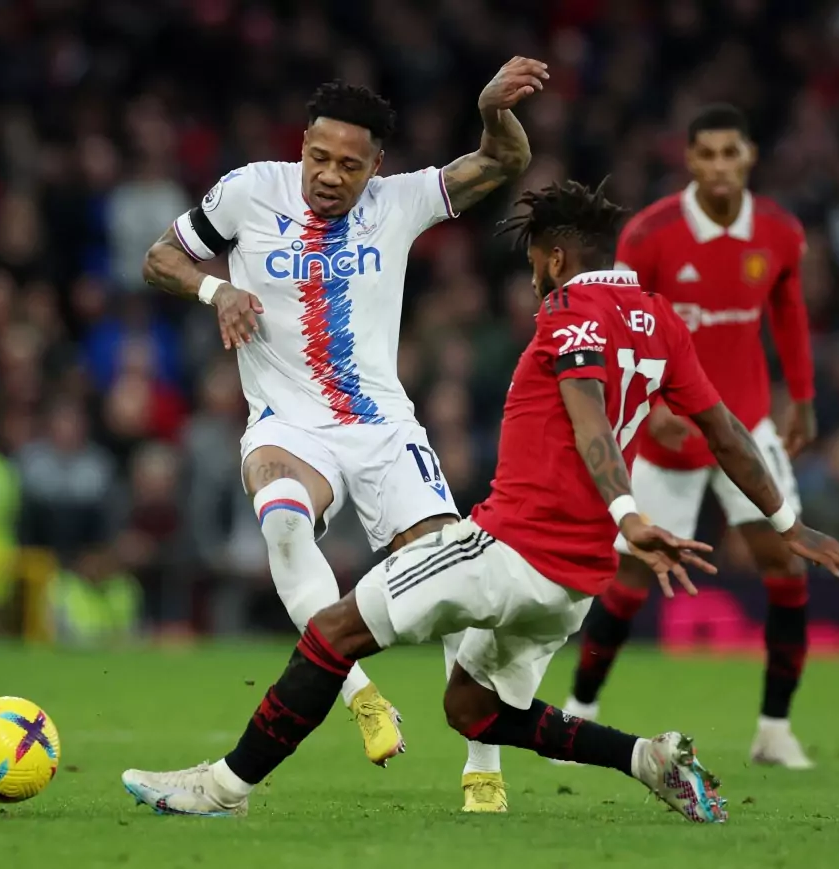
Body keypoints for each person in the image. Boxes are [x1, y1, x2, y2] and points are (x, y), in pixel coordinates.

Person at [120, 180, 839, 822]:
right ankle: (647, 759)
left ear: (553, 256)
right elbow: (729, 430)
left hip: (506, 553)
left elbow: (588, 415)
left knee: (333, 632)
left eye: (533, 262)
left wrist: (627, 512)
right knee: (472, 709)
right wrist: (784, 520)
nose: (532, 276)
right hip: (575, 582)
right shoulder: (662, 320)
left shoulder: (568, 311)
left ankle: (223, 784)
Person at [140, 60, 548, 812]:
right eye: (318, 158)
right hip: (288, 424)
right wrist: (217, 287)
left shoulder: (401, 202)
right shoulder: (247, 190)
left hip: (383, 428)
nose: (329, 176)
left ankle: (482, 766)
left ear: (376, 167)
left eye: (349, 165)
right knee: (286, 524)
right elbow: (160, 256)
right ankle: (361, 696)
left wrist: (491, 108)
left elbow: (504, 161)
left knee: (454, 582)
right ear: (302, 146)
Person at [562, 104, 822, 769]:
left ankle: (774, 729)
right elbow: (622, 326)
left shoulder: (780, 233)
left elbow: (788, 311)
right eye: (706, 154)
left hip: (747, 427)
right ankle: (578, 715)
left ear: (749, 156)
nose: (719, 166)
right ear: (690, 159)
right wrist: (647, 404)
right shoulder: (651, 235)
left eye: (730, 153)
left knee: (787, 566)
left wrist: (805, 398)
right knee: (626, 580)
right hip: (669, 438)